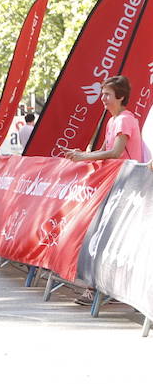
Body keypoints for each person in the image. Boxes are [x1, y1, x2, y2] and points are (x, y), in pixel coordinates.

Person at [63, 76, 142, 306]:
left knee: (105, 237)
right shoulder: (114, 121)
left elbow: (116, 153)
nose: (102, 99)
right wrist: (84, 152)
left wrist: (84, 156)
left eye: (107, 95)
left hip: (127, 187)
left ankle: (97, 289)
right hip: (116, 186)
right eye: (102, 94)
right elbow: (107, 151)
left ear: (120, 97)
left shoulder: (125, 120)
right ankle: (102, 289)